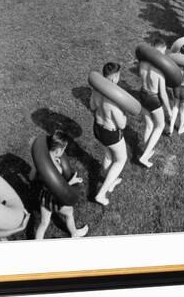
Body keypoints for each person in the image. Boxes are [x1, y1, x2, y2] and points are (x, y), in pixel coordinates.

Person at [32, 131, 89, 239]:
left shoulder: (40, 163)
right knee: (69, 214)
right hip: (56, 199)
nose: (63, 152)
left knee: (44, 223)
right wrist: (72, 181)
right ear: (58, 150)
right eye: (64, 150)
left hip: (44, 197)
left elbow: (31, 177)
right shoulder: (57, 168)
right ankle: (74, 234)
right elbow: (59, 187)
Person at [90, 62, 127, 206]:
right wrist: (124, 115)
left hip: (97, 128)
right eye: (118, 76)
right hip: (110, 134)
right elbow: (122, 124)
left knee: (108, 155)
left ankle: (110, 182)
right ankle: (101, 193)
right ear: (113, 78)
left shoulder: (95, 90)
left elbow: (92, 106)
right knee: (120, 160)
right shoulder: (114, 101)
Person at [137, 37, 172, 168]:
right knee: (160, 126)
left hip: (142, 93)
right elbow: (163, 93)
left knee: (149, 125)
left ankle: (147, 149)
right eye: (161, 53)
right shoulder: (160, 71)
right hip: (153, 98)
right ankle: (144, 156)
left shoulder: (142, 64)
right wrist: (169, 110)